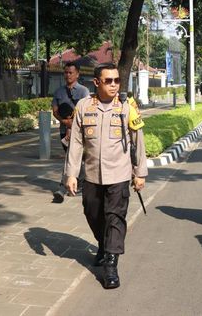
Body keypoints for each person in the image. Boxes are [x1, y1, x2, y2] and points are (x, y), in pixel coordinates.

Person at [64, 63, 147, 289]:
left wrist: (139, 173)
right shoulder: (83, 106)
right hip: (91, 174)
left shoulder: (127, 107)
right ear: (97, 82)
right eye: (108, 81)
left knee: (115, 218)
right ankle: (102, 243)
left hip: (119, 174)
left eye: (117, 81)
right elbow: (76, 143)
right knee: (92, 212)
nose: (113, 85)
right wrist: (71, 174)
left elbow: (138, 141)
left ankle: (111, 265)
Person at [51, 62, 90, 202]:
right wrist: (64, 122)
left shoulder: (84, 91)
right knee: (75, 158)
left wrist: (72, 125)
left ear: (77, 74)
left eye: (71, 72)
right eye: (66, 72)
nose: (68, 75)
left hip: (79, 132)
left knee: (71, 157)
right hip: (64, 131)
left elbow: (85, 111)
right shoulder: (59, 92)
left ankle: (63, 187)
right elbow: (55, 111)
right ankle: (80, 182)